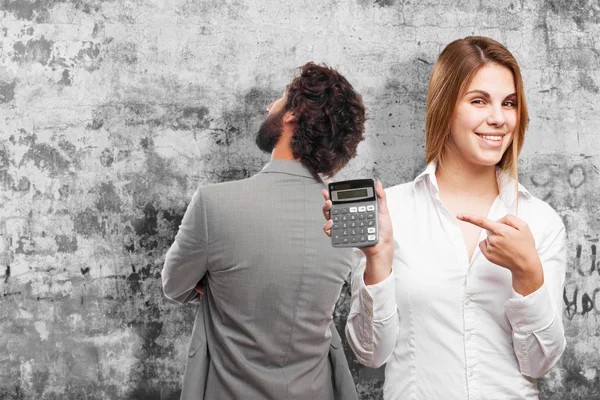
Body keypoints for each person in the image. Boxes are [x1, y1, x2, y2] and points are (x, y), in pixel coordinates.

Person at [323, 36, 566, 399]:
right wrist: (378, 260)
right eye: (479, 101)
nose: (498, 118)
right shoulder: (395, 213)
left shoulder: (541, 221)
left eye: (509, 103)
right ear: (445, 107)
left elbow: (539, 364)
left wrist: (528, 274)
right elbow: (370, 354)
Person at [162, 62, 366, 400]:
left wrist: (216, 283)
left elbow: (174, 286)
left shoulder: (214, 203)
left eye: (280, 99)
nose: (270, 106)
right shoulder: (344, 220)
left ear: (292, 116)